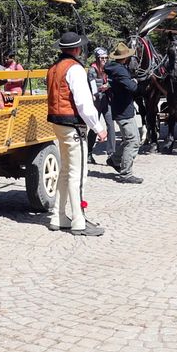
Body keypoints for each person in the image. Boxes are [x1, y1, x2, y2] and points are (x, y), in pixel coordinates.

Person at [45, 32, 108, 236]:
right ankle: (79, 220)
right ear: (77, 49)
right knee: (78, 174)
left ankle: (58, 215)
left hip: (57, 123)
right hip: (73, 125)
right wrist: (99, 127)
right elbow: (83, 103)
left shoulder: (53, 68)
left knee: (64, 171)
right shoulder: (75, 69)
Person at [104, 42, 143, 184]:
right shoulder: (120, 71)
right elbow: (132, 88)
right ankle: (126, 173)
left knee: (132, 139)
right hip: (123, 111)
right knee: (133, 141)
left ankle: (114, 160)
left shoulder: (115, 69)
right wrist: (136, 82)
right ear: (126, 58)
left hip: (122, 109)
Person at [87, 47, 113, 163]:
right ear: (97, 58)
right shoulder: (92, 70)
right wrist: (100, 88)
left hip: (106, 101)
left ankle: (111, 154)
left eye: (106, 58)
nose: (104, 60)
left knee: (111, 125)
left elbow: (113, 80)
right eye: (102, 58)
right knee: (94, 127)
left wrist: (109, 85)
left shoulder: (108, 68)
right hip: (96, 102)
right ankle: (88, 152)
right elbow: (92, 88)